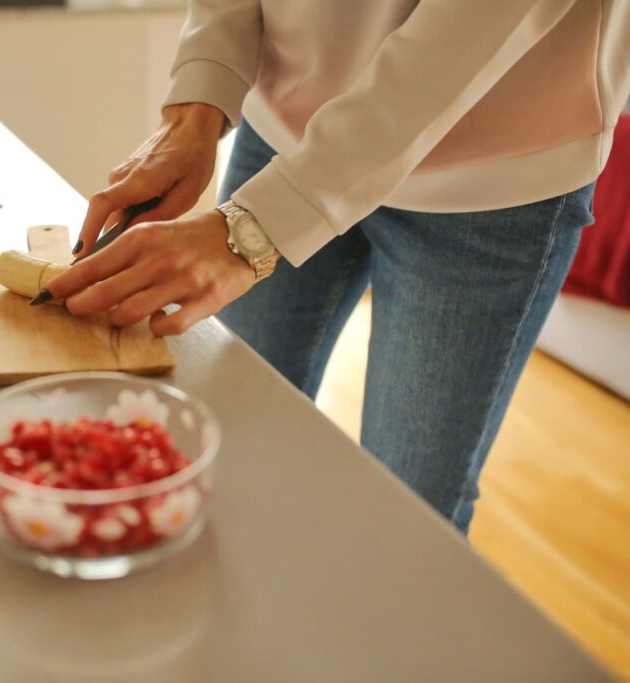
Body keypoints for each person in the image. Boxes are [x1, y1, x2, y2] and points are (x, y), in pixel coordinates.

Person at [41, 0, 630, 533]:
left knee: (409, 519)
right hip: (283, 131)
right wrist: (197, 106)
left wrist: (256, 226)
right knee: (230, 441)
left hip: (493, 175)